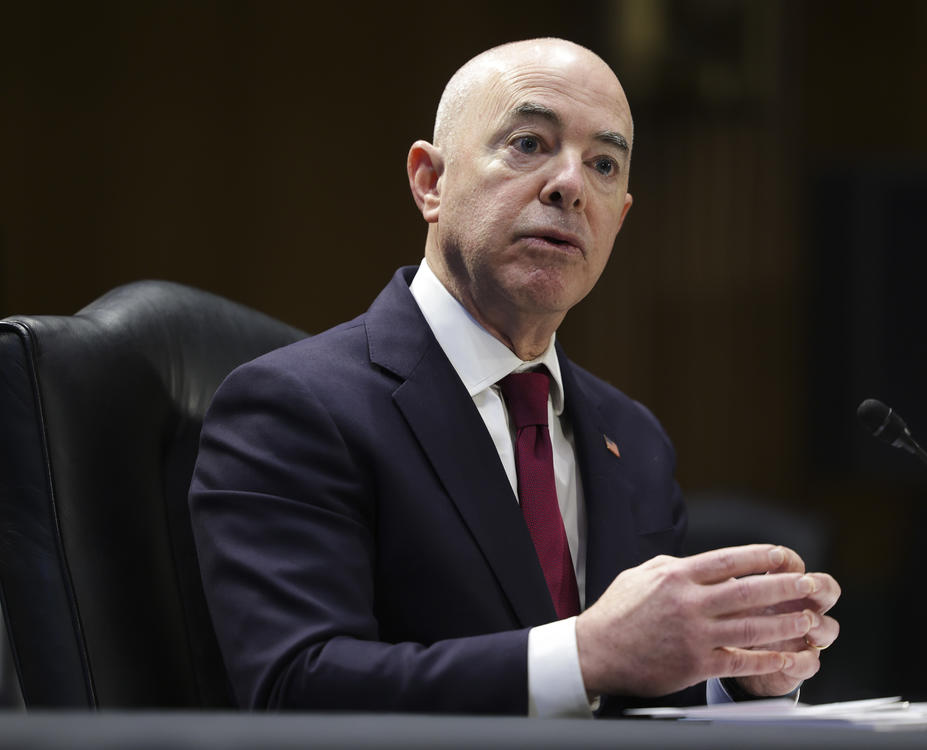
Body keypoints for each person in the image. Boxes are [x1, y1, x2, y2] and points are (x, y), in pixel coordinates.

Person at [189, 37, 840, 717]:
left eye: (604, 164)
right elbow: (296, 688)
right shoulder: (295, 407)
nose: (569, 186)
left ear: (617, 220)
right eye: (529, 144)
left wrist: (739, 673)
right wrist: (586, 652)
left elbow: (634, 691)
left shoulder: (634, 440)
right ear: (429, 182)